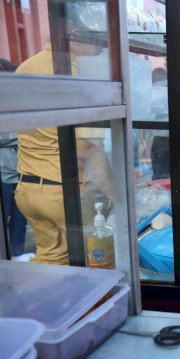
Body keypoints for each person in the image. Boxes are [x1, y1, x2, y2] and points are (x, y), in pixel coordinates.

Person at [14, 41, 113, 265]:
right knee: (92, 261)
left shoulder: (27, 67)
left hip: (27, 188)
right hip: (63, 193)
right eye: (97, 41)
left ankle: (44, 300)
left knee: (51, 260)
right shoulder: (76, 75)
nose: (101, 48)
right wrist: (118, 197)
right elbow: (86, 149)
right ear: (76, 38)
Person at [0, 59, 28, 257]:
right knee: (5, 215)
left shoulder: (20, 101)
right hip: (3, 166)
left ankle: (17, 253)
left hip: (21, 164)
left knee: (21, 214)